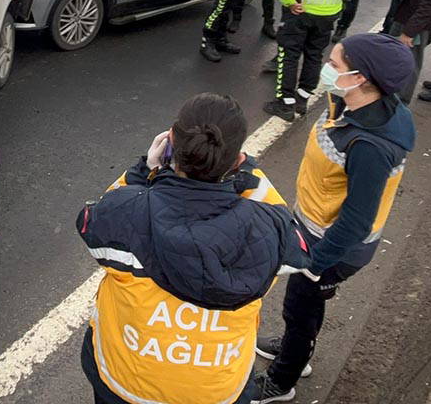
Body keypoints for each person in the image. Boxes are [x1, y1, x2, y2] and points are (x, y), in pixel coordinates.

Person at [78, 93, 310, 404]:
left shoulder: (126, 211)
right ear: (237, 159)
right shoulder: (270, 228)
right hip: (218, 388)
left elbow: (92, 221)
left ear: (171, 141)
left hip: (127, 381)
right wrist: (248, 172)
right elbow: (297, 240)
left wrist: (142, 171)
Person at [251, 33, 417, 404]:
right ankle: (296, 347)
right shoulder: (349, 103)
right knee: (304, 306)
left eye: (335, 64)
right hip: (314, 227)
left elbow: (357, 221)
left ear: (361, 78)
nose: (327, 68)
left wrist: (317, 264)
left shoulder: (370, 146)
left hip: (333, 246)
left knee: (301, 303)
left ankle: (283, 379)